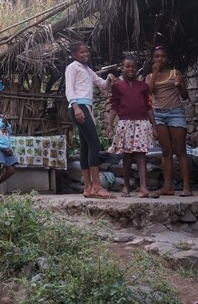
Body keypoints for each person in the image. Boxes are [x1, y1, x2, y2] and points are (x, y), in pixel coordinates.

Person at [65, 41, 116, 199]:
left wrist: (109, 79)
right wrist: (76, 107)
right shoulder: (72, 67)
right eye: (81, 52)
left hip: (85, 107)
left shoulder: (87, 69)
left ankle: (87, 187)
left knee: (86, 147)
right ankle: (97, 186)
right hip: (79, 106)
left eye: (87, 51)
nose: (86, 54)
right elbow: (69, 88)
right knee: (94, 144)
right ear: (74, 55)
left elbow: (103, 85)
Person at [107, 56, 160, 198]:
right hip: (125, 123)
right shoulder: (117, 86)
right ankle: (126, 187)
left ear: (137, 69)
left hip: (141, 123)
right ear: (122, 68)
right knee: (127, 156)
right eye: (127, 67)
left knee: (141, 155)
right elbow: (114, 106)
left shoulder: (143, 86)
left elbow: (149, 107)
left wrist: (154, 126)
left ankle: (143, 188)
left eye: (133, 67)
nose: (130, 69)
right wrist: (110, 124)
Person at [145, 45, 192, 196]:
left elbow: (185, 96)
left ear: (168, 58)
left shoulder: (175, 73)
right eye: (157, 56)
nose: (160, 59)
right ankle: (168, 187)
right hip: (158, 115)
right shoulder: (149, 76)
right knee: (166, 152)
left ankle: (186, 187)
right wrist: (155, 73)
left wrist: (179, 85)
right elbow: (148, 93)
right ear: (153, 59)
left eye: (163, 56)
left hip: (175, 113)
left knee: (180, 151)